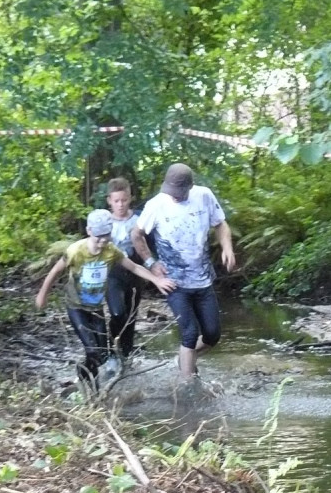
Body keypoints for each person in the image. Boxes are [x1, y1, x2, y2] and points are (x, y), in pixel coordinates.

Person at [35, 208, 175, 395]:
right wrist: (42, 295)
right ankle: (88, 389)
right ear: (89, 231)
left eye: (106, 236)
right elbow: (55, 272)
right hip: (76, 308)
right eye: (98, 237)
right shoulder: (76, 251)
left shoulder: (111, 251)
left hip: (95, 308)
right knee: (92, 350)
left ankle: (85, 384)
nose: (102, 242)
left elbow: (133, 267)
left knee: (101, 355)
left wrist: (157, 280)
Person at [131, 163, 236, 380]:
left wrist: (227, 248)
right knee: (189, 334)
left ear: (190, 186)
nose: (175, 196)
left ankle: (184, 361)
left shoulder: (204, 196)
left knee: (212, 335)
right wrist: (151, 262)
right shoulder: (156, 205)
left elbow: (221, 224)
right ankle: (187, 387)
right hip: (174, 282)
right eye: (172, 192)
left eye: (179, 193)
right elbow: (136, 235)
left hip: (203, 280)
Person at [105, 177, 143, 362]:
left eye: (124, 200)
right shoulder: (103, 221)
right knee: (118, 312)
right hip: (112, 272)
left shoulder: (139, 219)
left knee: (131, 315)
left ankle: (127, 354)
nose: (120, 205)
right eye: (116, 201)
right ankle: (111, 350)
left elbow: (149, 245)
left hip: (135, 272)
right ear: (109, 201)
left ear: (130, 198)